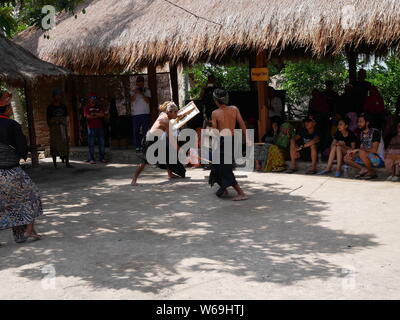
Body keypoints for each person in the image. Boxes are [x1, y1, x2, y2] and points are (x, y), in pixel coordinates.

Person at [0, 91, 43, 244]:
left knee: (5, 202)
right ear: (6, 110)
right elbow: (21, 149)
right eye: (9, 106)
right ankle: (28, 231)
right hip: (10, 171)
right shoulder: (12, 125)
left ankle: (20, 235)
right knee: (31, 196)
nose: (11, 108)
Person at [131, 101, 186, 186]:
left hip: (156, 139)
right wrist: (180, 150)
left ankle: (170, 174)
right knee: (144, 161)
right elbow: (171, 139)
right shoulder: (165, 120)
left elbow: (172, 117)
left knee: (167, 154)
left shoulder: (163, 114)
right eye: (175, 112)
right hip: (150, 140)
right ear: (170, 112)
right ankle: (134, 180)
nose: (176, 114)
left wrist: (177, 115)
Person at [209, 89, 249, 201]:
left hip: (222, 141)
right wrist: (248, 139)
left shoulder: (215, 113)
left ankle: (241, 193)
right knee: (217, 166)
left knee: (225, 168)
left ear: (216, 101)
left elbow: (214, 131)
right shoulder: (234, 109)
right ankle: (224, 188)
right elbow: (242, 124)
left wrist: (210, 127)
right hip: (231, 140)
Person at [344, 114, 384, 180]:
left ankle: (372, 172)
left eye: (361, 121)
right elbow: (362, 149)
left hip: (378, 160)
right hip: (366, 157)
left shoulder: (375, 132)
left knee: (361, 152)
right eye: (358, 122)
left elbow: (374, 150)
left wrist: (358, 150)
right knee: (346, 157)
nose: (358, 124)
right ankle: (364, 169)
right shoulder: (362, 134)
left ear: (367, 123)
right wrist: (353, 153)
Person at [47, 88, 72, 168]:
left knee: (65, 144)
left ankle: (67, 163)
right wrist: (54, 123)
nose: (58, 97)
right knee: (54, 145)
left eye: (59, 95)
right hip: (54, 129)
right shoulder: (50, 107)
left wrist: (65, 123)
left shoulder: (63, 106)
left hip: (63, 128)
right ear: (53, 97)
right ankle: (55, 164)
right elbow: (48, 119)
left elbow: (67, 117)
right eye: (56, 95)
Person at [84, 93, 107, 164]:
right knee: (91, 144)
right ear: (89, 99)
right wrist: (97, 115)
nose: (93, 99)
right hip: (91, 128)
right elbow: (88, 116)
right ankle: (91, 159)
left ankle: (102, 158)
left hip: (100, 127)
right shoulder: (87, 107)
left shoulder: (99, 107)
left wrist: (94, 114)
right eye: (92, 98)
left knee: (102, 143)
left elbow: (103, 115)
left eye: (94, 98)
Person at [131, 76, 151, 151]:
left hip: (145, 113)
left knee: (145, 131)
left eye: (141, 83)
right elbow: (131, 100)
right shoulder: (133, 91)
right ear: (136, 83)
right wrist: (136, 93)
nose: (140, 85)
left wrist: (142, 93)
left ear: (143, 83)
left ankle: (145, 146)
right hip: (136, 114)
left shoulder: (147, 91)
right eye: (138, 83)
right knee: (136, 131)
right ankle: (137, 146)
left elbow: (148, 101)